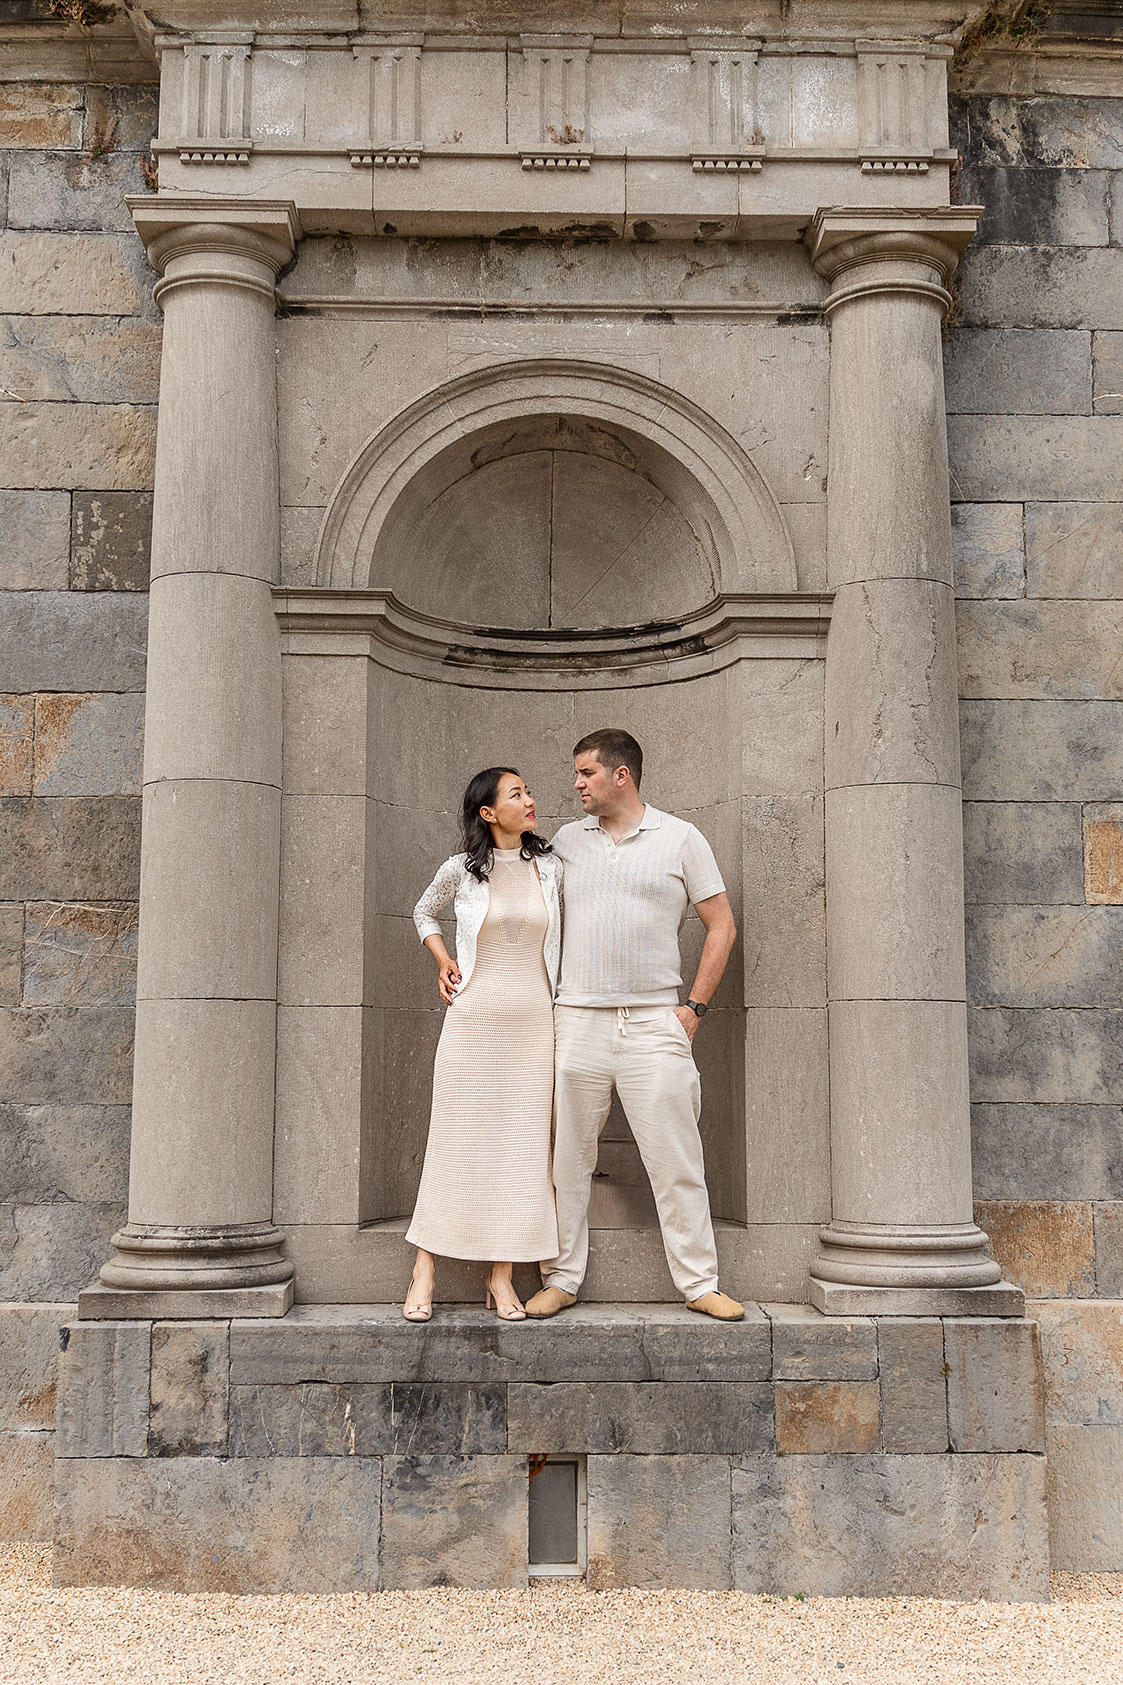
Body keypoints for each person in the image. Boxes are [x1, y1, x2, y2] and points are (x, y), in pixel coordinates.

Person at [526, 728, 744, 1322]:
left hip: (654, 1021)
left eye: (586, 773)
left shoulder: (681, 838)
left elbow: (721, 926)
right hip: (576, 1018)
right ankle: (561, 1278)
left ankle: (699, 1283)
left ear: (621, 775)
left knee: (677, 1159)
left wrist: (693, 1008)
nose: (576, 784)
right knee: (565, 1161)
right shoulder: (566, 842)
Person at [404, 767, 561, 1323]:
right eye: (517, 794)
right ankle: (424, 1268)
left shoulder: (551, 868)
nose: (530, 799)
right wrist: (443, 959)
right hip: (473, 1023)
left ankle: (501, 1275)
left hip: (535, 1027)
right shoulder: (461, 870)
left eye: (528, 790)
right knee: (454, 1144)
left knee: (522, 1151)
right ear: (489, 812)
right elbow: (424, 911)